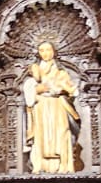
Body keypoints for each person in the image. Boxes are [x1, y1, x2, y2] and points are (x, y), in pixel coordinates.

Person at [22, 41, 79, 173]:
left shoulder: (61, 72)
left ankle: (63, 166)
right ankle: (39, 166)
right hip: (40, 106)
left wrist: (62, 89)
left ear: (54, 52)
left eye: (48, 50)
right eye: (42, 50)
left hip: (57, 105)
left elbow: (72, 91)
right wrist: (37, 89)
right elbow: (30, 90)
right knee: (40, 135)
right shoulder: (35, 70)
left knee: (61, 132)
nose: (45, 53)